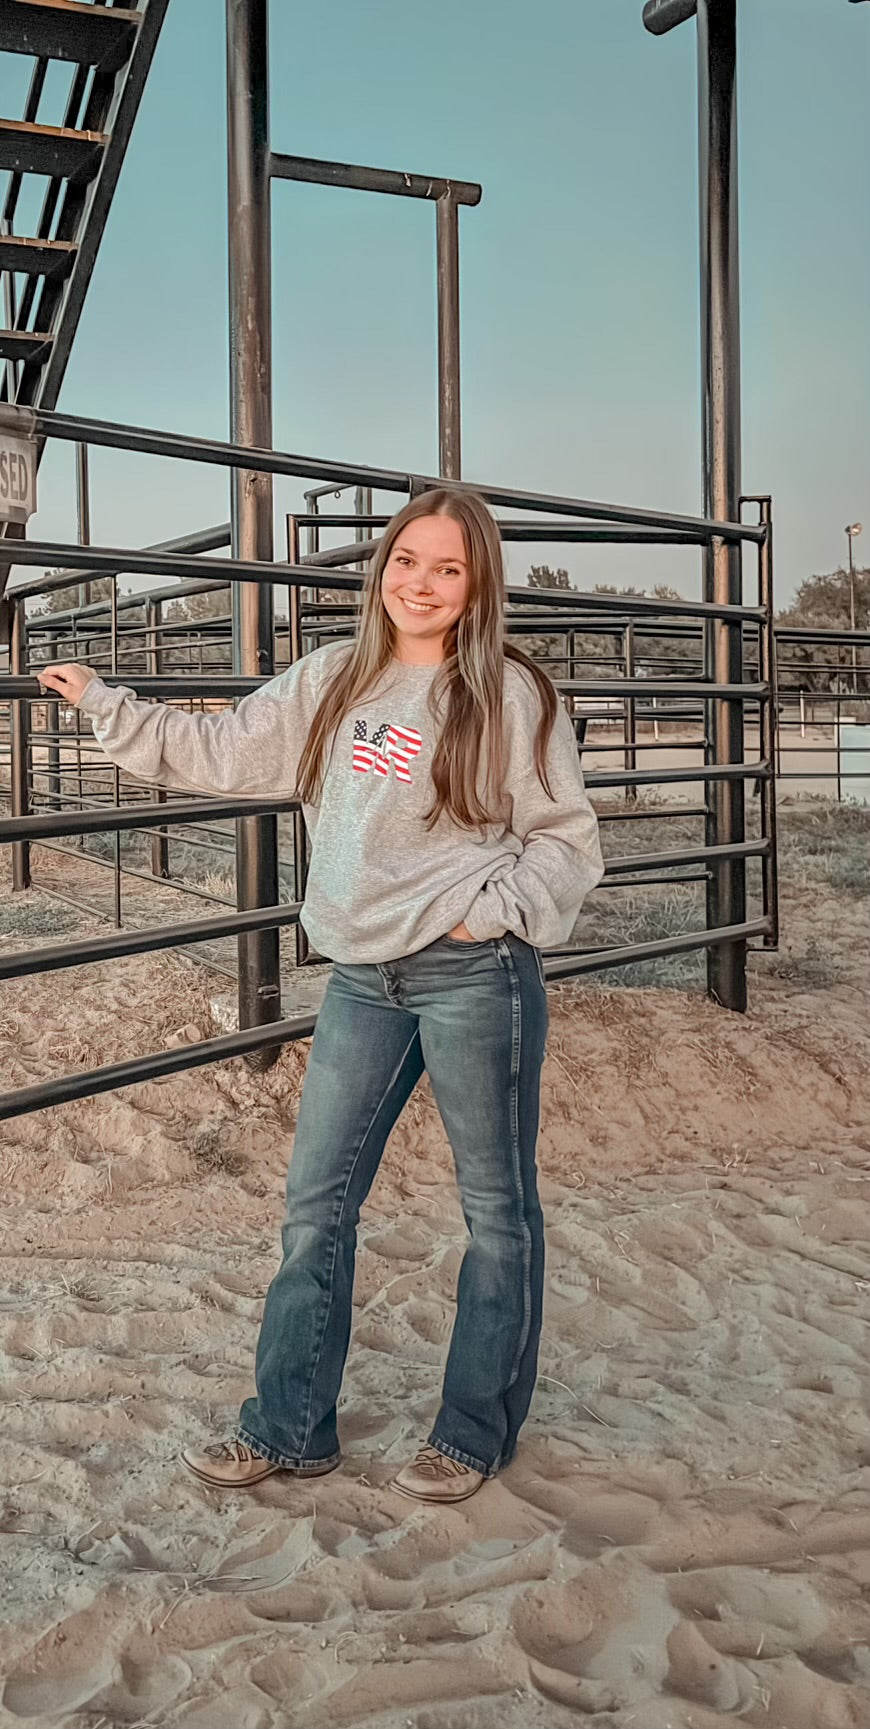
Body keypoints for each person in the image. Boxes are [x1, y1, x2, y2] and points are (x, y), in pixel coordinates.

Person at [39, 488, 604, 1504]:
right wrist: (104, 703)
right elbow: (218, 748)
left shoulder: (511, 695)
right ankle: (292, 1426)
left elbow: (567, 838)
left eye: (446, 568)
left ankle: (472, 1433)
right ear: (379, 569)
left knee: (495, 1211)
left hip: (475, 974)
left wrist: (492, 912)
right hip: (362, 979)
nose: (420, 585)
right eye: (405, 562)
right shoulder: (333, 683)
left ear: (476, 586)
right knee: (316, 1206)